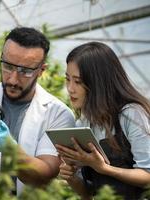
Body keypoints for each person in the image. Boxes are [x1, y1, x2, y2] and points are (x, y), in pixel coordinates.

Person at [0, 27, 75, 195]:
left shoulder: (58, 114)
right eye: (8, 66)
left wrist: (9, 148)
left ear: (41, 70)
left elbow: (44, 175)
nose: (13, 79)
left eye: (25, 71)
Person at [57, 41, 150, 200]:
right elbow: (88, 194)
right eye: (68, 79)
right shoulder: (83, 124)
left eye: (78, 81)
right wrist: (71, 177)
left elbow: (147, 176)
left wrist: (104, 168)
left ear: (98, 82)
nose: (70, 88)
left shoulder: (131, 114)